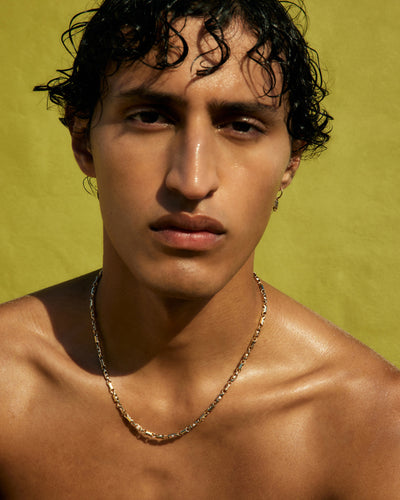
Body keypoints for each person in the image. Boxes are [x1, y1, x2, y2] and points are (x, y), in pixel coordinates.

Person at [0, 0, 399, 497]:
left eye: (241, 125)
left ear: (291, 161)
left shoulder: (374, 428)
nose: (191, 181)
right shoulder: (8, 383)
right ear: (84, 141)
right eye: (150, 117)